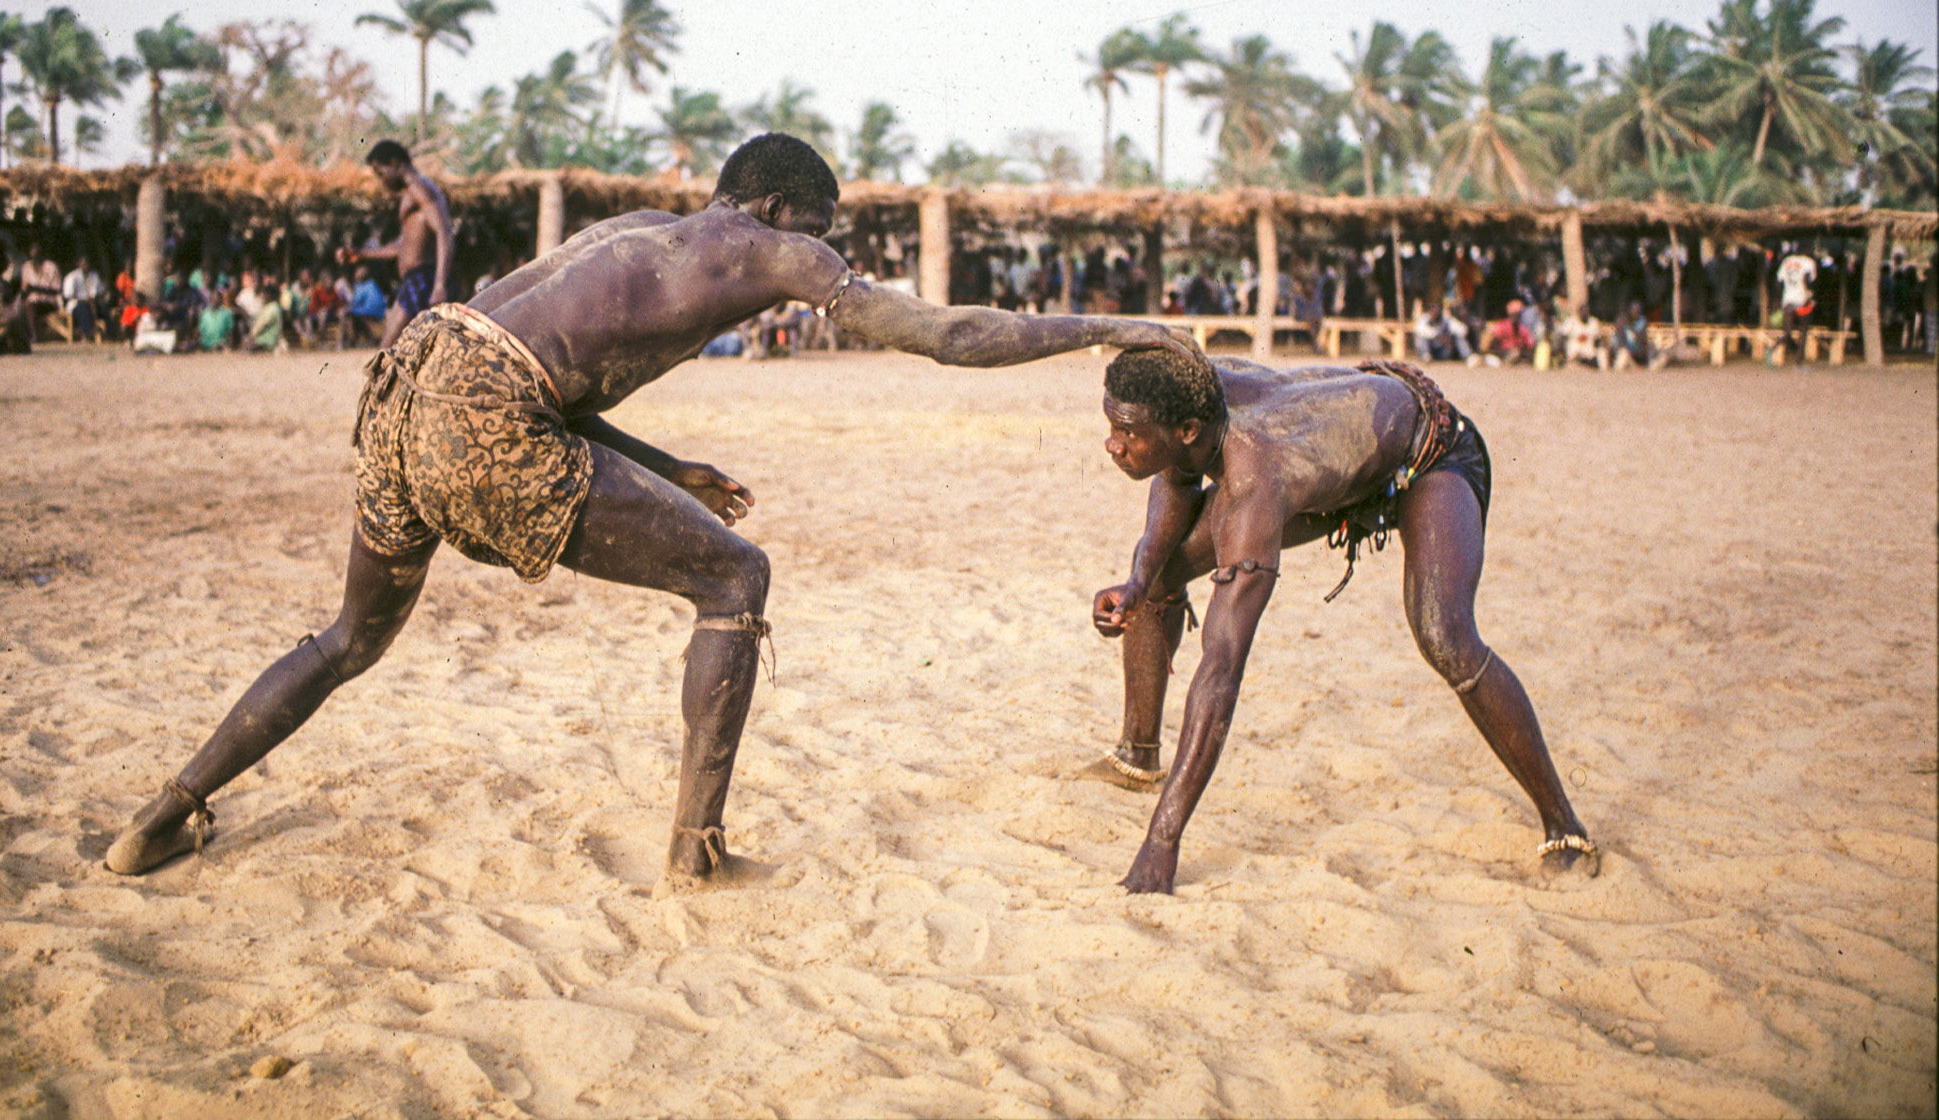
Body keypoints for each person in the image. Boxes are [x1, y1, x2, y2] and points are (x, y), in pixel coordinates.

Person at [104, 134, 1196, 888]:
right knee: (736, 580)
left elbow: (538, 374)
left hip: (411, 382)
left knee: (350, 638)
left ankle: (157, 818)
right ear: (775, 211)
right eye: (819, 234)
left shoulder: (630, 231)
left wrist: (671, 468)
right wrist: (1106, 328)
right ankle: (696, 852)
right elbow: (951, 336)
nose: (823, 261)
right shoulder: (782, 247)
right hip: (484, 405)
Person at [1086, 347, 1595, 895]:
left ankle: (1564, 826)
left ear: (1186, 429)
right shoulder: (1192, 401)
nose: (1113, 444)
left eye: (1128, 433)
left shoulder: (1255, 480)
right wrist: (1138, 584)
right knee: (1159, 572)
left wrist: (1162, 842)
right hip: (1335, 467)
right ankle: (1137, 754)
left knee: (1443, 633)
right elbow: (1174, 486)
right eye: (1112, 425)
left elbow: (1222, 665)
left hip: (1428, 454)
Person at [339, 140, 454, 349]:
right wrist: (362, 254)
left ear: (395, 163)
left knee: (388, 352)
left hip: (422, 280)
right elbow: (403, 247)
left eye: (380, 173)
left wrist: (439, 284)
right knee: (396, 352)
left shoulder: (420, 188)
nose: (381, 181)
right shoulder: (414, 192)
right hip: (416, 281)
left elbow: (444, 232)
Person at [1774, 246, 1816, 365]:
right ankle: (1798, 359)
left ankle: (1774, 347)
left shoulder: (1786, 261)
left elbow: (1779, 281)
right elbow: (1810, 280)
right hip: (1802, 300)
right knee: (1803, 330)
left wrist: (1780, 299)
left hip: (1788, 300)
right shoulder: (1809, 262)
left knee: (1787, 330)